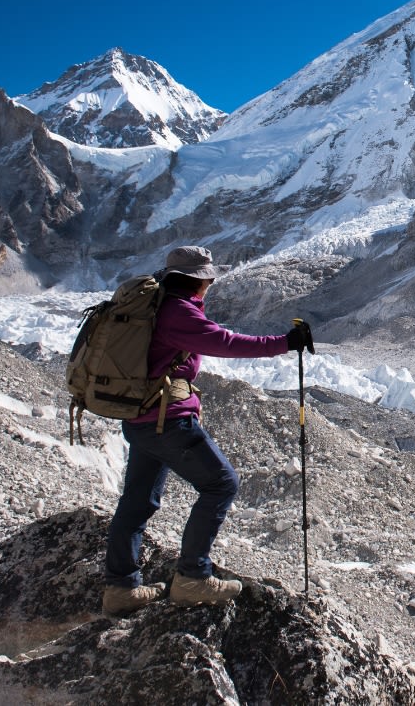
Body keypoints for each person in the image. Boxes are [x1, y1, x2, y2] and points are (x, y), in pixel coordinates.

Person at [101, 245, 315, 616]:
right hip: (168, 422)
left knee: (137, 502)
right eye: (208, 278)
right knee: (222, 483)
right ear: (199, 280)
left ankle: (121, 588)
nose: (211, 284)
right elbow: (224, 342)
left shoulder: (158, 305)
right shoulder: (178, 312)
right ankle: (193, 577)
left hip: (140, 419)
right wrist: (284, 343)